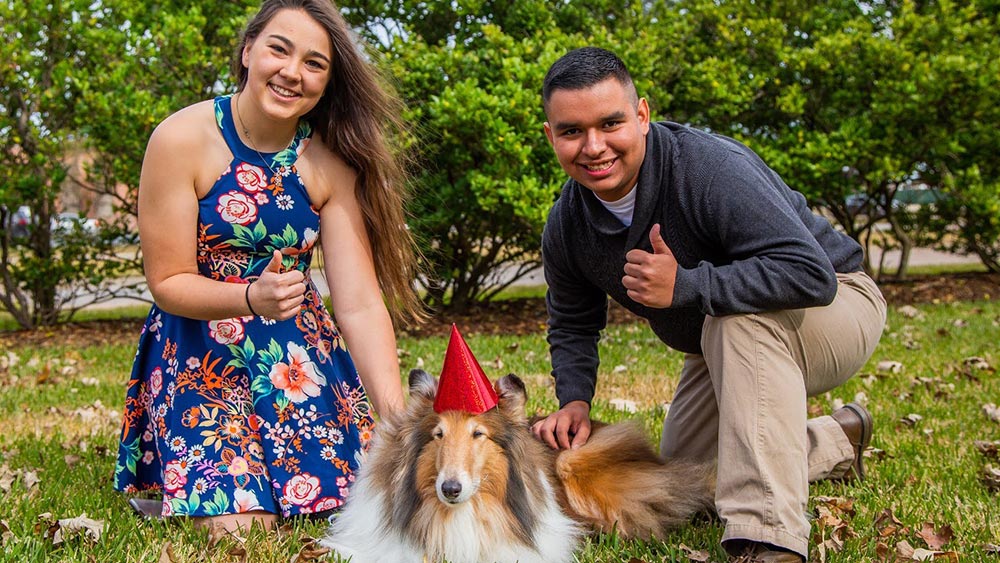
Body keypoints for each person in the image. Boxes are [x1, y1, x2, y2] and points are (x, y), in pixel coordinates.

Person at [531, 47, 886, 562]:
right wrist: (575, 399)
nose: (594, 146)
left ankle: (768, 538)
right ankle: (838, 440)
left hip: (838, 303)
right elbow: (572, 321)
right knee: (683, 477)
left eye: (611, 123)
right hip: (721, 338)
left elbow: (811, 274)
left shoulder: (709, 169)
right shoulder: (567, 225)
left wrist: (688, 287)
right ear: (551, 136)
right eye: (571, 132)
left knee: (735, 323)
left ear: (643, 115)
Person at [114, 0, 423, 533]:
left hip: (298, 365)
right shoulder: (180, 140)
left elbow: (359, 302)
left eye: (314, 63)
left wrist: (395, 419)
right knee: (243, 528)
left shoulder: (327, 164)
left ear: (326, 83)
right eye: (279, 49)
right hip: (201, 356)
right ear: (247, 51)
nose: (291, 72)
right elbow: (166, 283)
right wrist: (249, 298)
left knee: (345, 508)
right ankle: (193, 487)